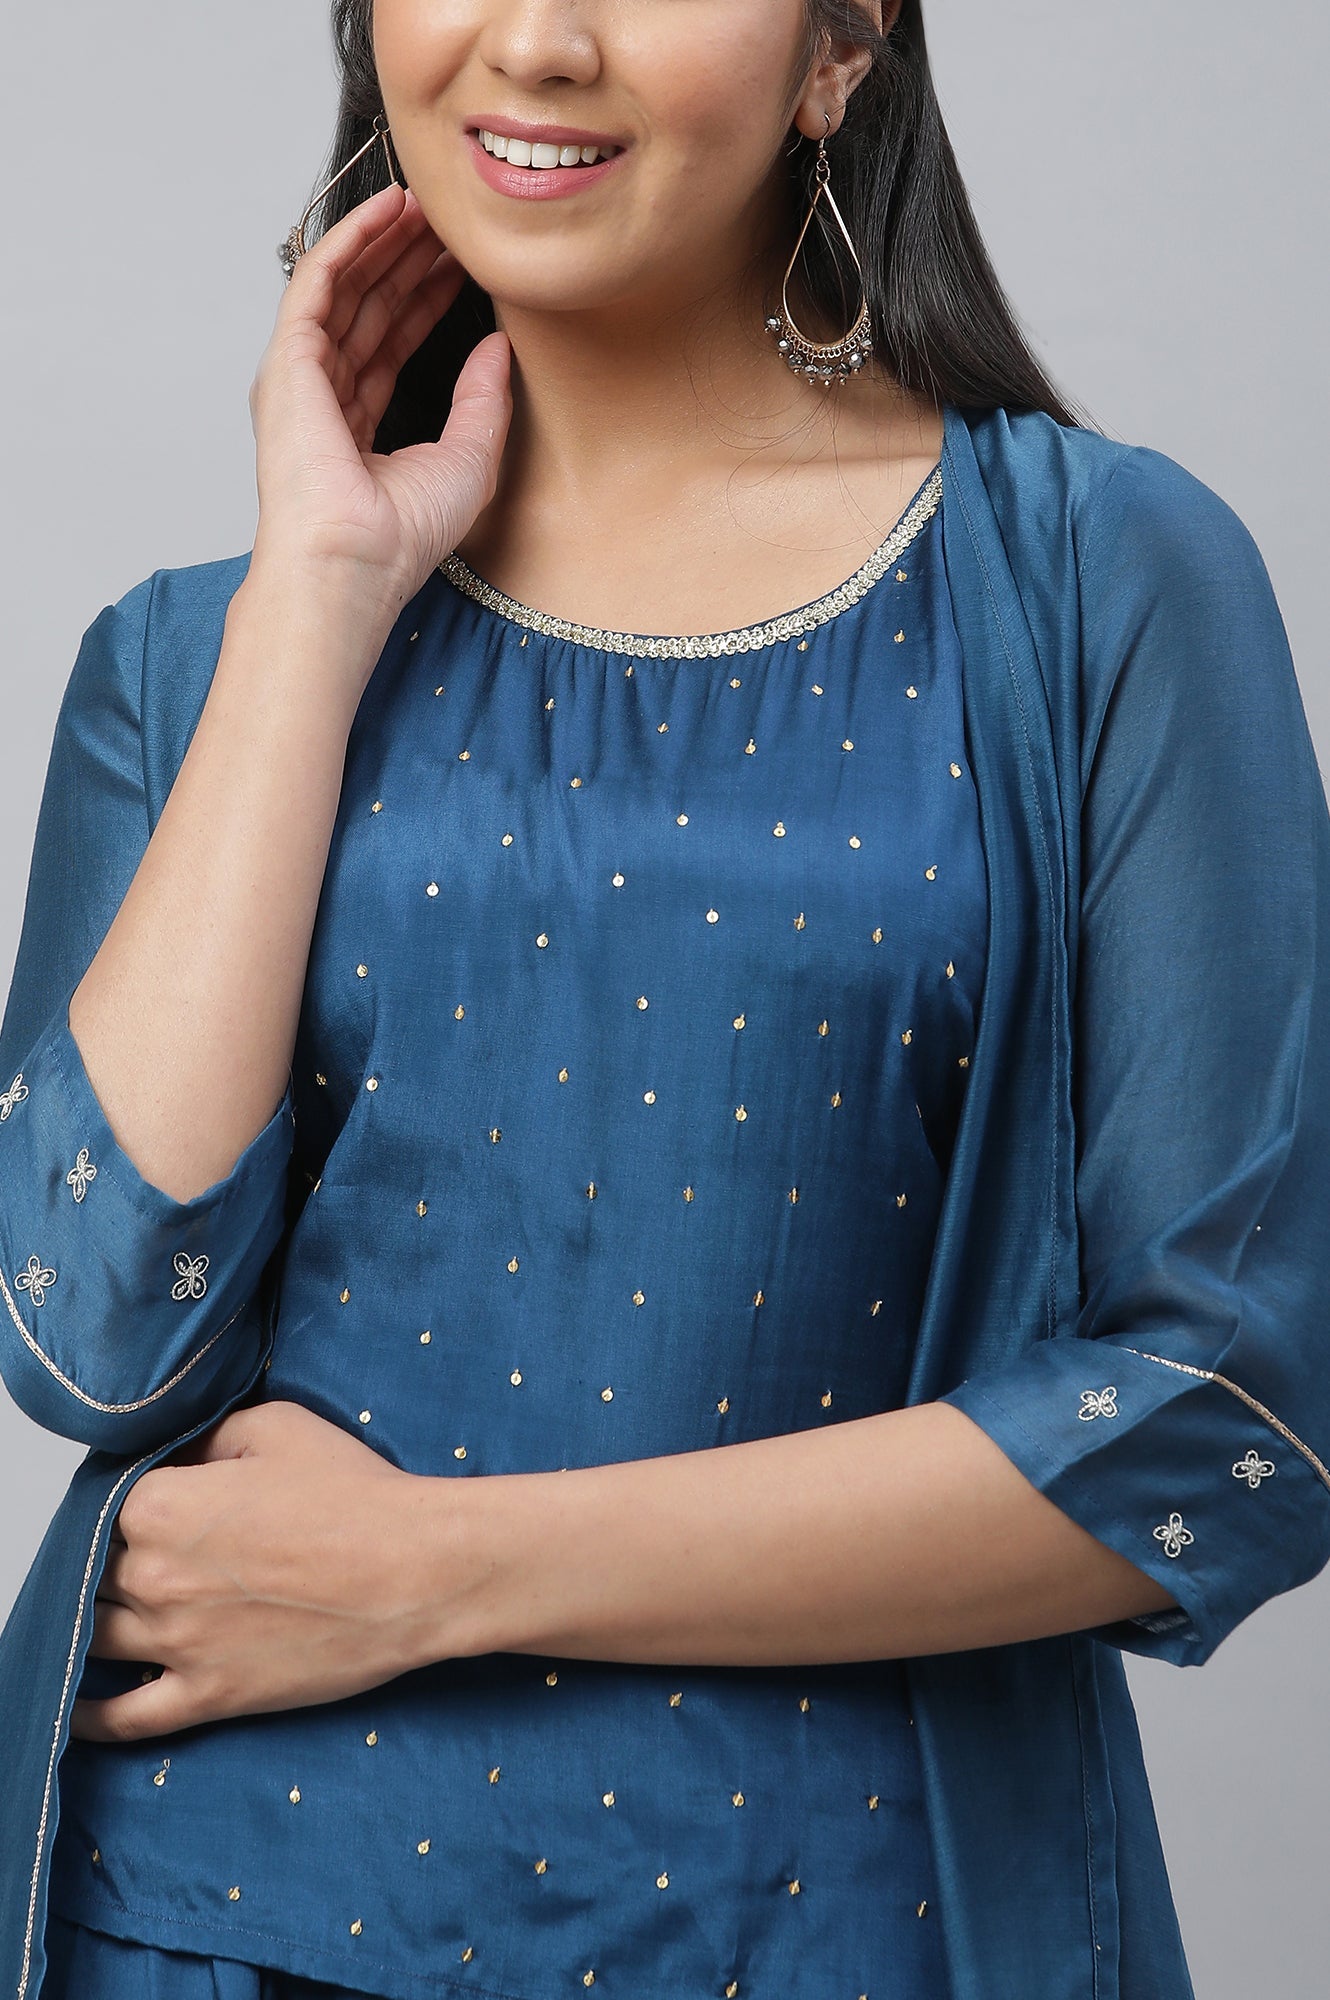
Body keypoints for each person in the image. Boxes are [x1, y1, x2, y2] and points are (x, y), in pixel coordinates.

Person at [2, 2, 1328, 1997]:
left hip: (841, 1934)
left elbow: (1222, 1424)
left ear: (838, 50)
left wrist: (434, 1573)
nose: (539, 40)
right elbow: (89, 1337)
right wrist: (319, 593)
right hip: (204, 1927)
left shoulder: (1095, 586)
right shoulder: (202, 654)